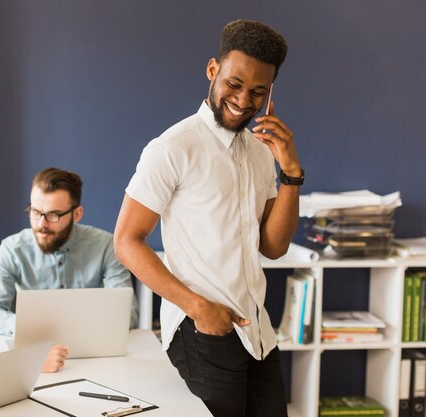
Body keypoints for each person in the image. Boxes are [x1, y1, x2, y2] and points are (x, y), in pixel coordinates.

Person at [114, 19, 302, 417]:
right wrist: (199, 308)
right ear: (212, 69)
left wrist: (291, 173)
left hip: (256, 331)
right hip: (203, 327)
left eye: (258, 92)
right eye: (234, 83)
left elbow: (273, 246)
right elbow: (127, 241)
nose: (243, 100)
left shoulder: (259, 152)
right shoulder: (172, 148)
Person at [0, 167, 138, 372]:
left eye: (53, 214)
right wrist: (28, 326)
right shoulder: (11, 249)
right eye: (35, 212)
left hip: (99, 361)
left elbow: (127, 315)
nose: (41, 224)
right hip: (37, 363)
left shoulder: (106, 246)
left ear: (77, 214)